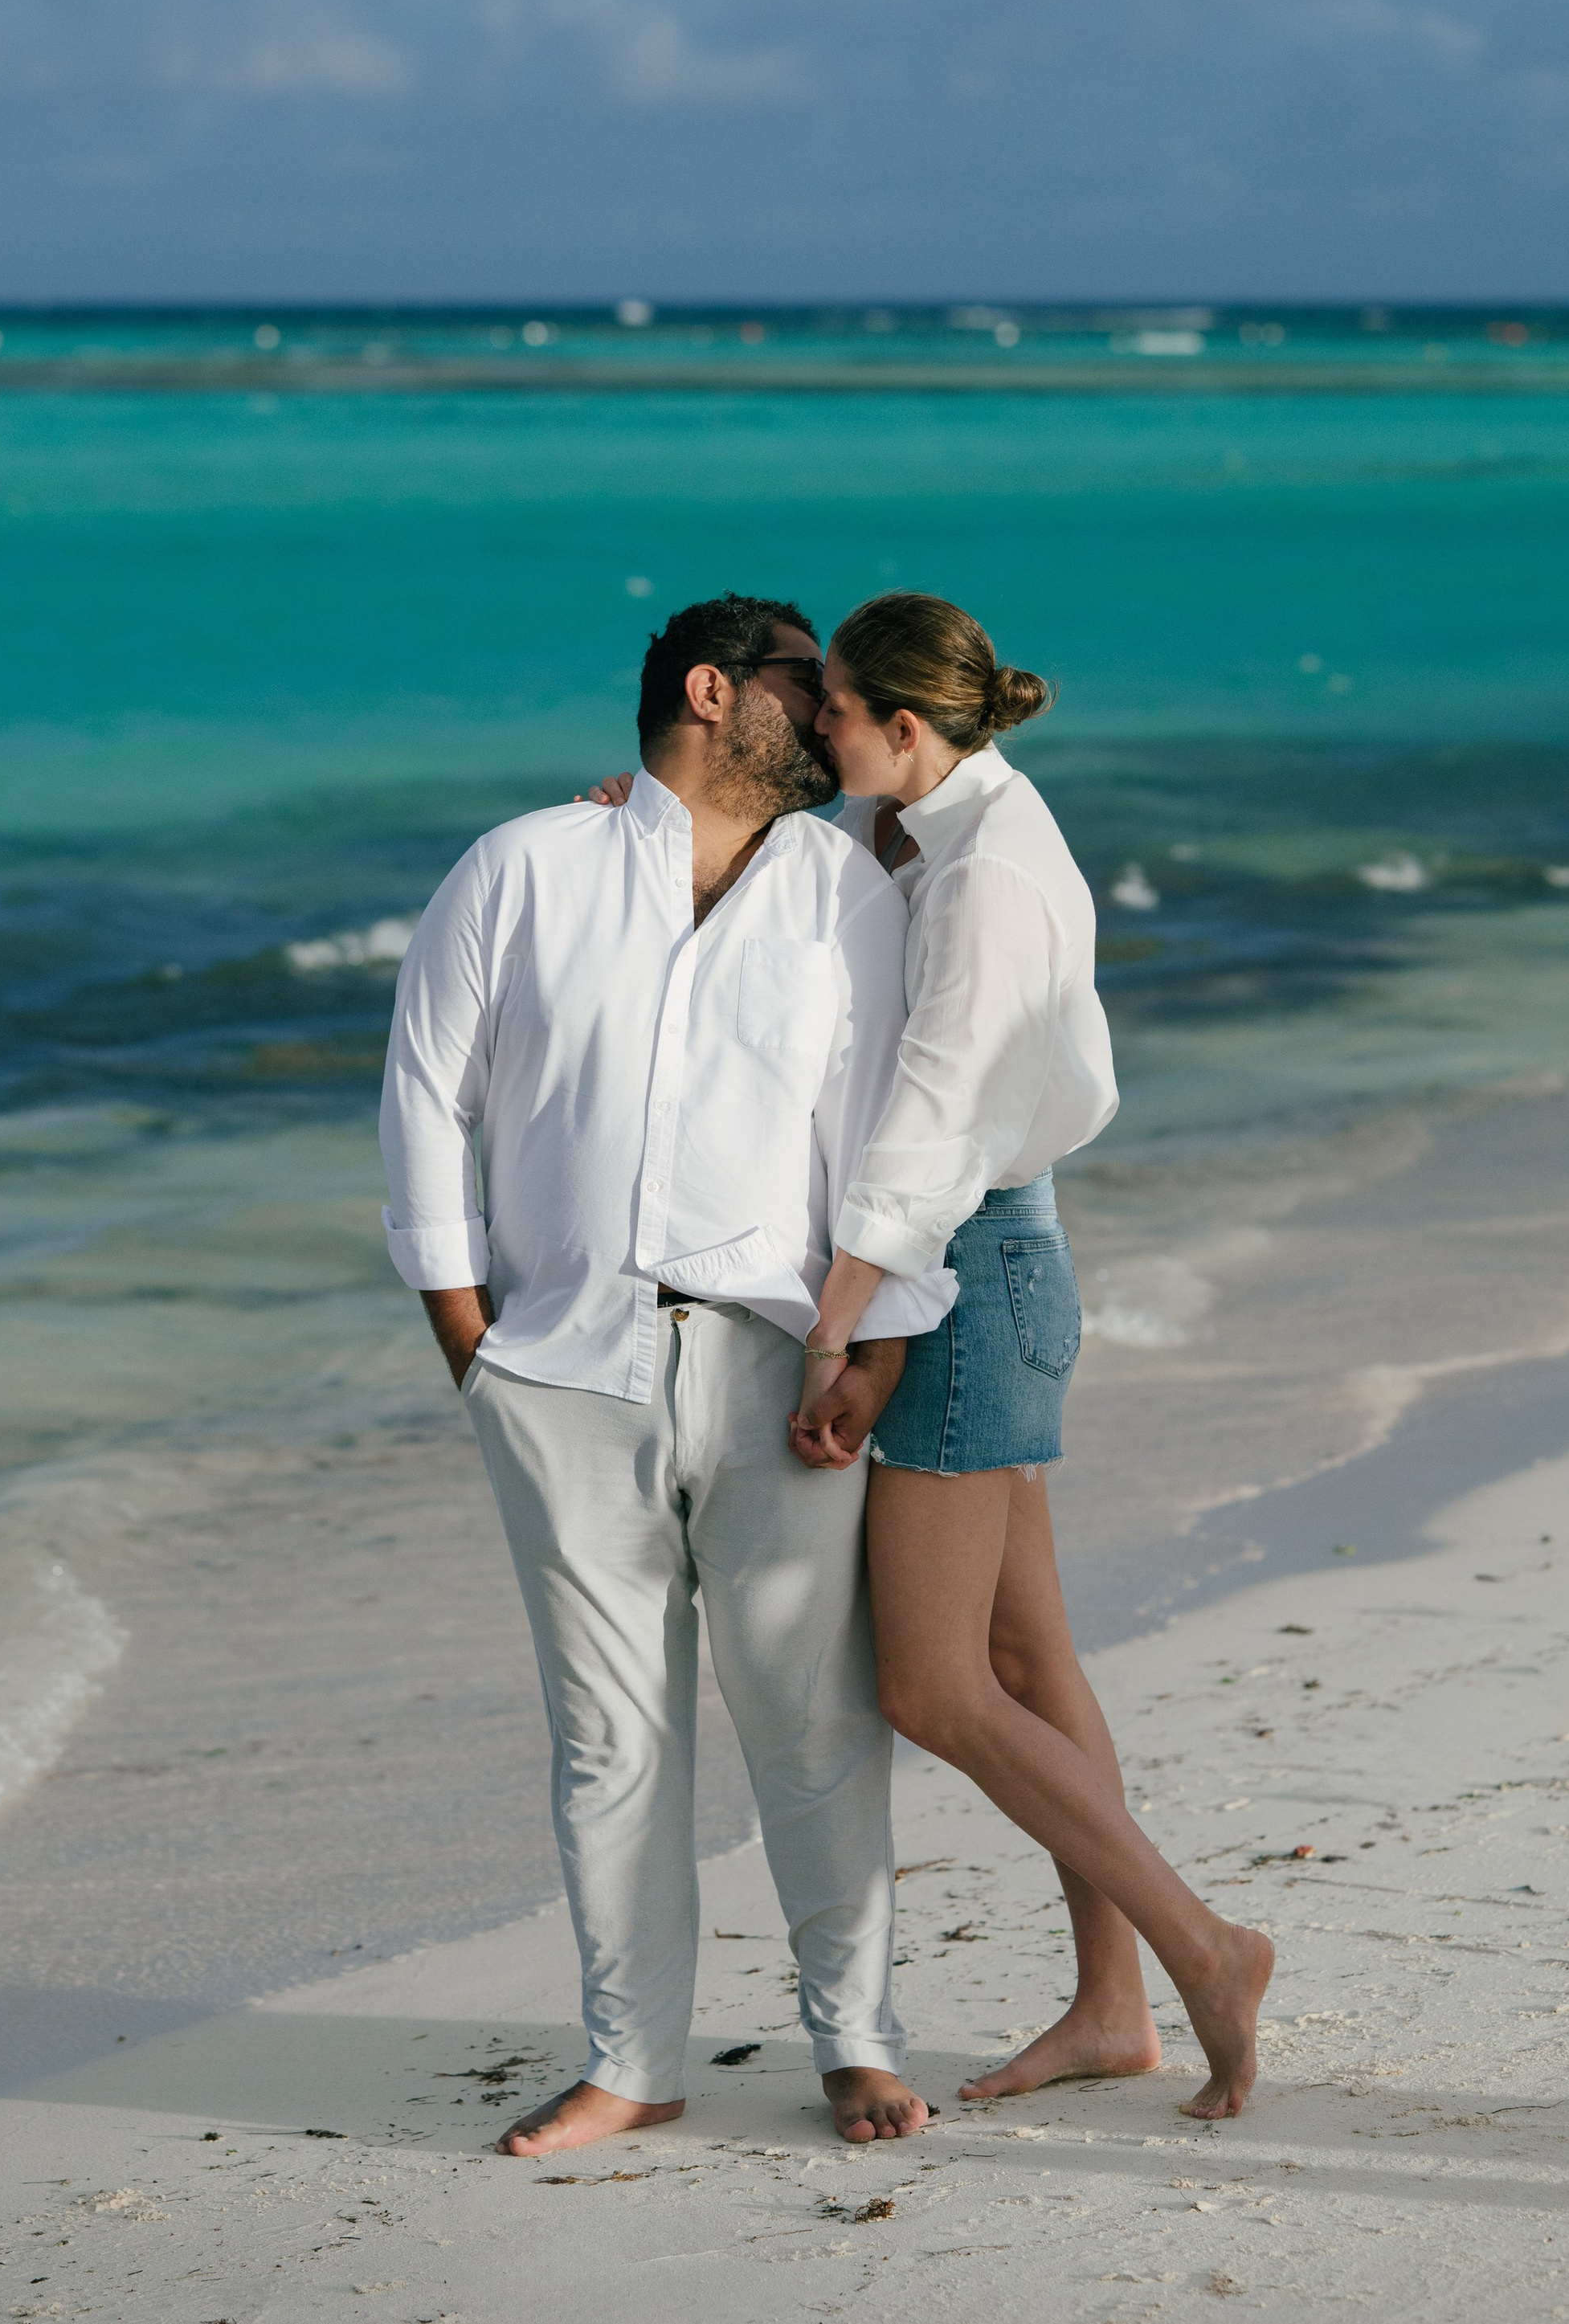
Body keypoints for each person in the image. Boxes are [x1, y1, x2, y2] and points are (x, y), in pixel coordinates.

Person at [378, 593, 957, 2159]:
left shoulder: (847, 891)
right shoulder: (522, 869)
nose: (831, 715)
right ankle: (632, 2057)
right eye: (804, 685)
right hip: (559, 1373)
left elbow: (883, 1137)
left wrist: (881, 1341)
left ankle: (854, 2037)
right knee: (606, 1735)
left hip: (782, 1362)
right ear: (713, 691)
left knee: (810, 1717)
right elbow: (426, 1089)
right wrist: (464, 1336)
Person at [793, 591, 1274, 2121]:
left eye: (838, 715)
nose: (817, 734)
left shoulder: (987, 874)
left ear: (907, 730)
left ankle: (1205, 1947)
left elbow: (931, 1118)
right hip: (1000, 1262)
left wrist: (835, 1326)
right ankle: (1113, 2005)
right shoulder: (960, 827)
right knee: (1027, 1658)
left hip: (966, 1271)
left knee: (935, 1688)